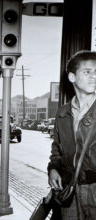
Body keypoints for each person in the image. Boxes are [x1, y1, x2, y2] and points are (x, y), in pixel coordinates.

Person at [48, 50, 96, 219]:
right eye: (87, 72)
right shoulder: (63, 113)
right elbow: (57, 149)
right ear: (72, 77)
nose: (94, 77)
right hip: (70, 191)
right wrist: (53, 169)